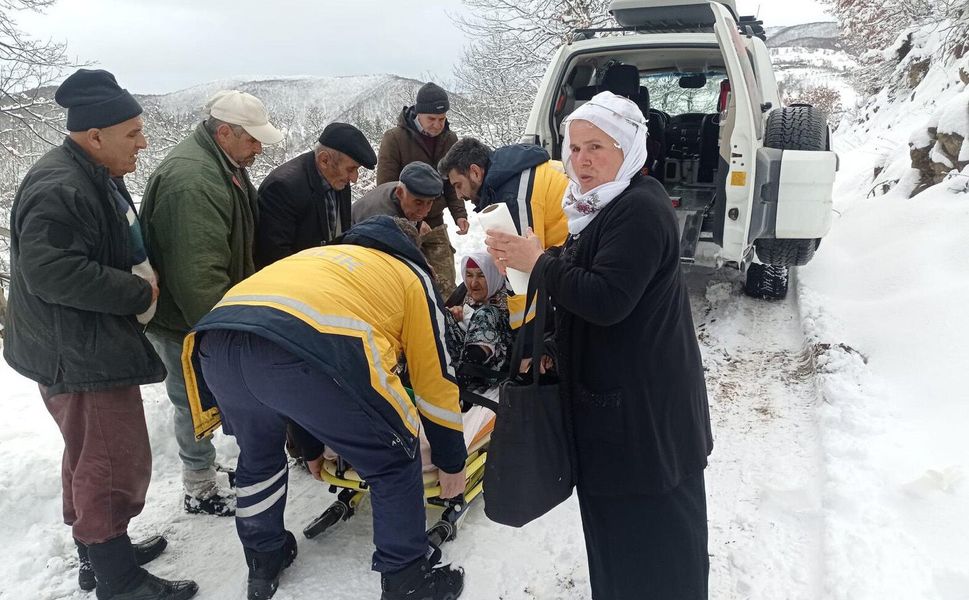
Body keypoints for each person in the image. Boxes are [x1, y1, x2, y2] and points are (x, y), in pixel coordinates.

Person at [484, 91, 714, 599]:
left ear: (629, 151)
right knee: (618, 546)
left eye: (597, 148)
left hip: (645, 421)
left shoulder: (638, 210)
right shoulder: (598, 208)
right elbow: (581, 285)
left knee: (656, 549)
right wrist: (530, 265)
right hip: (619, 417)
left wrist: (539, 261)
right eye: (575, 147)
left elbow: (608, 299)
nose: (582, 160)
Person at [181, 216, 466, 600]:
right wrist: (451, 460)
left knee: (259, 458)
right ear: (412, 252)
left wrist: (311, 448)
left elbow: (291, 354)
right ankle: (408, 581)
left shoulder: (321, 256)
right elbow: (435, 377)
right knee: (393, 455)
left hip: (216, 343)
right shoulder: (408, 275)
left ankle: (264, 557)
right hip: (301, 350)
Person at [2, 68, 197, 600]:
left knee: (89, 453)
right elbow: (50, 271)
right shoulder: (61, 186)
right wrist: (137, 294)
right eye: (132, 132)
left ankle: (99, 551)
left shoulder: (89, 173)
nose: (143, 141)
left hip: (74, 344)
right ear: (95, 136)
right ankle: (118, 579)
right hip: (78, 353)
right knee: (113, 458)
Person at [139, 89, 284, 516]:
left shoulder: (225, 164)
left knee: (203, 397)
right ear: (224, 132)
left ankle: (203, 468)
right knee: (190, 398)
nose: (258, 148)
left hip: (204, 311)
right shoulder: (195, 182)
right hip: (185, 319)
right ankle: (198, 486)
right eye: (252, 139)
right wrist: (223, 334)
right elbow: (197, 275)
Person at [437, 137, 569, 330]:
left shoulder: (514, 197)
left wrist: (525, 345)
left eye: (458, 185)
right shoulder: (513, 173)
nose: (458, 195)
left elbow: (522, 279)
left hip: (573, 260)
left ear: (475, 172)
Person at [377, 82, 468, 296]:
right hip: (403, 224)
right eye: (432, 119)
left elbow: (451, 183)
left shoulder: (450, 139)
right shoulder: (395, 139)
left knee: (446, 286)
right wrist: (413, 220)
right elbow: (386, 187)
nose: (437, 125)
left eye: (442, 119)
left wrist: (459, 214)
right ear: (418, 114)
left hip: (435, 222)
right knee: (408, 283)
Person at [255, 122, 377, 268]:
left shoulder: (339, 179)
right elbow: (275, 256)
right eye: (351, 169)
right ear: (324, 160)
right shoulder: (283, 187)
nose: (355, 178)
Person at [444, 251, 513, 395]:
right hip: (459, 362)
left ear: (492, 275)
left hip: (495, 369)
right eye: (469, 275)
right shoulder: (463, 294)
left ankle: (461, 383)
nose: (473, 283)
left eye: (481, 275)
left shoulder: (511, 299)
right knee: (443, 315)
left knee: (486, 313)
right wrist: (453, 313)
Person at [352, 160, 442, 237]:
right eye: (418, 203)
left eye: (429, 202)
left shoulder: (401, 188)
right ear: (399, 193)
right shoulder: (385, 223)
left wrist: (418, 224)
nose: (424, 211)